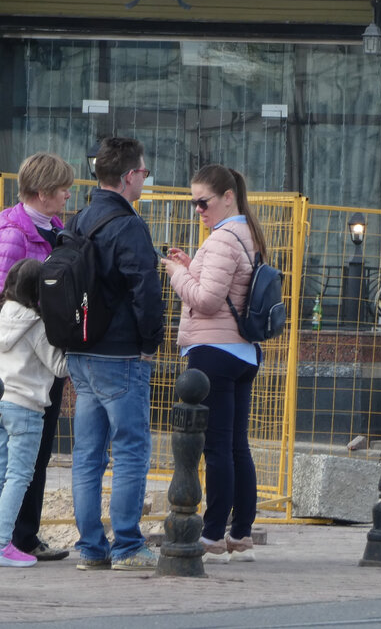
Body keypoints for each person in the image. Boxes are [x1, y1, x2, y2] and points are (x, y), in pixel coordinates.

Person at [65, 136, 164, 571]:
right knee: (130, 450)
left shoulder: (78, 219)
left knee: (87, 454)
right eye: (143, 172)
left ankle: (90, 547)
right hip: (121, 354)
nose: (144, 179)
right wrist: (149, 343)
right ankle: (126, 545)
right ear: (128, 176)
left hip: (80, 351)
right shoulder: (129, 226)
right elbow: (146, 288)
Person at [161, 164, 264, 564]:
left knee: (217, 447)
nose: (198, 210)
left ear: (227, 197)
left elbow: (205, 301)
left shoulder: (223, 239)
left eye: (203, 202)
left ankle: (212, 533)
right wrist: (191, 267)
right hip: (241, 350)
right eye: (194, 203)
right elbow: (224, 291)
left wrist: (175, 275)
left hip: (214, 352)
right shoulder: (247, 233)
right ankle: (240, 532)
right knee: (237, 445)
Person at [0, 152, 74, 562]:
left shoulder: (55, 227)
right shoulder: (14, 232)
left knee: (36, 454)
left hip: (43, 353)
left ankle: (23, 535)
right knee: (21, 459)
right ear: (43, 193)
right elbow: (7, 292)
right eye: (62, 188)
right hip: (26, 362)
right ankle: (15, 538)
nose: (67, 194)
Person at [0, 259, 69, 567]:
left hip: (3, 400)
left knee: (3, 473)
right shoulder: (35, 324)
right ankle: (3, 542)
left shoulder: (4, 314)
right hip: (26, 407)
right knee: (20, 476)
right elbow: (59, 367)